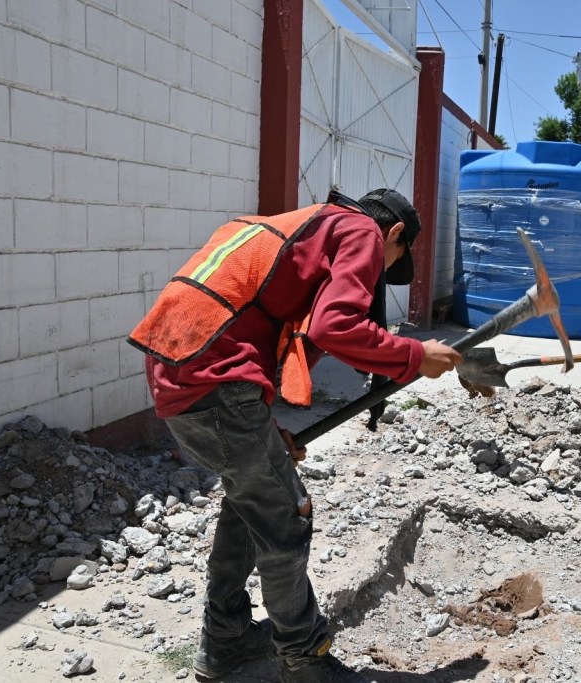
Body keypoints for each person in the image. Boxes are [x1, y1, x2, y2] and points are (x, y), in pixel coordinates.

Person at [128, 189, 462, 681]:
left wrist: (264, 428)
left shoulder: (296, 227)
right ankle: (305, 660)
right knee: (286, 517)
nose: (376, 279)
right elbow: (334, 326)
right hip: (216, 383)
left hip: (180, 376)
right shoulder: (362, 230)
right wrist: (415, 355)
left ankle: (226, 642)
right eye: (389, 263)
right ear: (394, 235)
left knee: (248, 505)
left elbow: (239, 324)